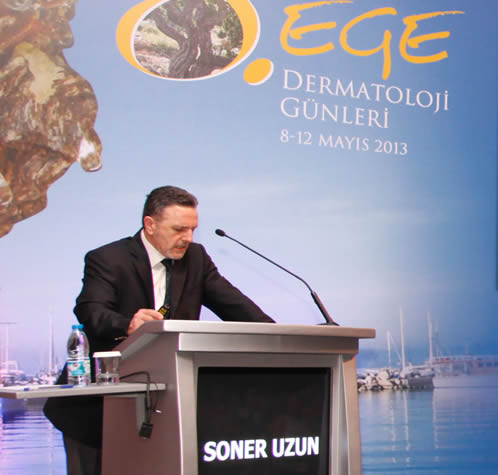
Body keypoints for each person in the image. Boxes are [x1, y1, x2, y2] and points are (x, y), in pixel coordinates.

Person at [44, 185, 274, 475]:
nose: (187, 238)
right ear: (150, 225)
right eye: (179, 229)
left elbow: (236, 306)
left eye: (192, 229)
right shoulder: (108, 258)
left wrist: (277, 335)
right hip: (96, 411)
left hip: (166, 407)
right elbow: (91, 310)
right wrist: (127, 324)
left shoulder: (196, 258)